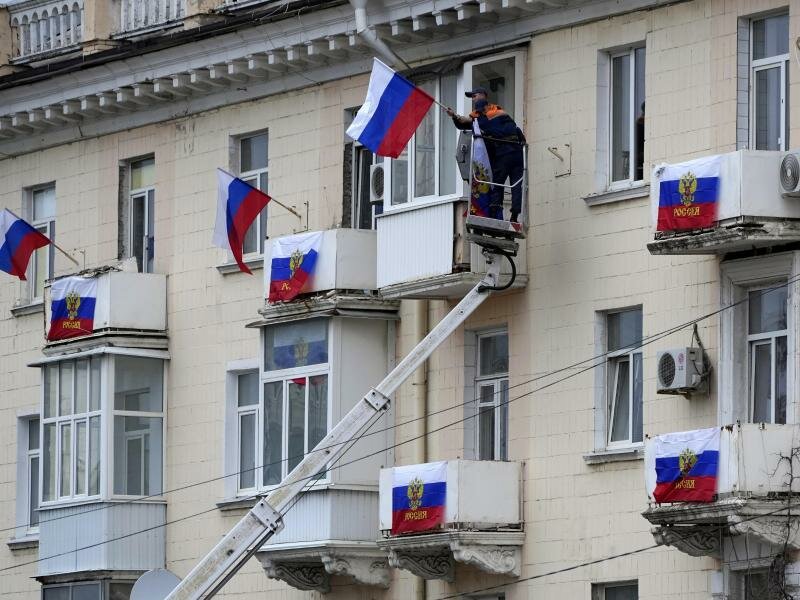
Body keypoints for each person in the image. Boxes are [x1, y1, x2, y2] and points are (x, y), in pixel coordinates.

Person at [446, 88, 525, 222]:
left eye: (474, 96)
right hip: (518, 152)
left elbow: (466, 123)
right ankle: (515, 214)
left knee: (497, 182)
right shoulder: (501, 112)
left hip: (504, 151)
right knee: (517, 184)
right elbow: (518, 131)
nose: (473, 99)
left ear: (483, 96)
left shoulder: (481, 112)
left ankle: (494, 213)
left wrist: (455, 116)